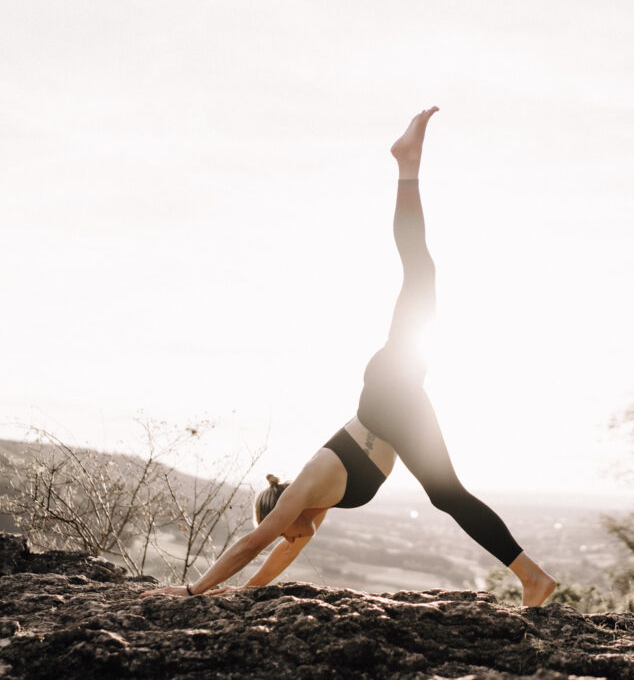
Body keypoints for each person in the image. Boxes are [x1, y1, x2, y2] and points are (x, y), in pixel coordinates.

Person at [141, 107, 556, 606]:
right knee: (446, 492)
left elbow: (254, 545)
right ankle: (533, 577)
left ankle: (406, 164)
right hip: (392, 399)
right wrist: (241, 596)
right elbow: (278, 559)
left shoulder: (304, 489)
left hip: (387, 394)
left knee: (420, 275)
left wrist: (192, 591)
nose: (290, 538)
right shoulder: (311, 512)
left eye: (284, 529)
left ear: (281, 513)